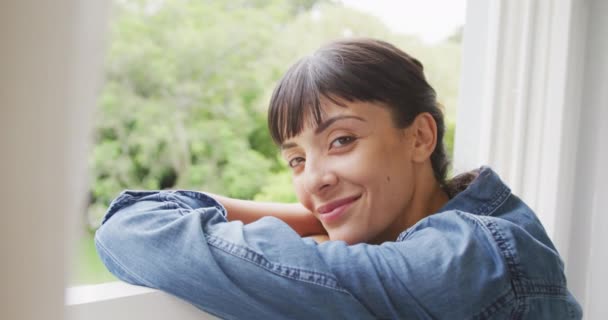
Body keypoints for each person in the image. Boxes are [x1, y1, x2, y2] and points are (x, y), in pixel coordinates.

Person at [95, 38, 582, 319]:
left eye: (342, 140)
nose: (314, 182)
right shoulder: (470, 230)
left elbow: (134, 231)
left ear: (419, 137)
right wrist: (321, 216)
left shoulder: (468, 260)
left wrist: (314, 220)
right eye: (297, 161)